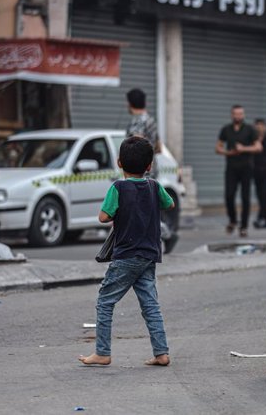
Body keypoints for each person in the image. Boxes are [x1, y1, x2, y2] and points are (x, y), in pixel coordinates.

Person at [78, 136, 174, 367]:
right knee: (150, 305)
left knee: (105, 301)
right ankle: (161, 353)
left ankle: (102, 352)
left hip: (126, 256)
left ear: (119, 162)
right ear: (149, 165)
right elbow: (169, 204)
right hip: (149, 255)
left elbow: (103, 217)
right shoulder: (154, 186)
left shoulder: (118, 188)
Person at [216, 105, 262, 237]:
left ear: (243, 115)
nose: (238, 116)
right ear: (232, 115)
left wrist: (243, 149)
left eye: (240, 114)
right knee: (229, 195)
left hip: (246, 168)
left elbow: (258, 147)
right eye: (236, 114)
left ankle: (244, 226)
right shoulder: (226, 129)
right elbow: (218, 148)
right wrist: (228, 152)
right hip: (231, 168)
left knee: (245, 197)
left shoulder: (250, 129)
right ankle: (232, 220)